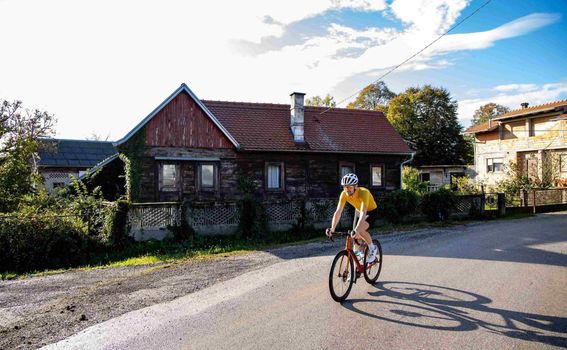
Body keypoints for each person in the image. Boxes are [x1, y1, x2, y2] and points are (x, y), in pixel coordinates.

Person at [326, 173, 379, 263]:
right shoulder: (343, 194)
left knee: (360, 230)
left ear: (355, 186)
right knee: (354, 235)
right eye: (345, 187)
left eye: (350, 187)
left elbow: (363, 212)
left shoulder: (363, 192)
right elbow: (338, 212)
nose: (347, 190)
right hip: (358, 211)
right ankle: (357, 260)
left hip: (370, 211)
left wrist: (357, 229)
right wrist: (332, 228)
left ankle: (373, 249)